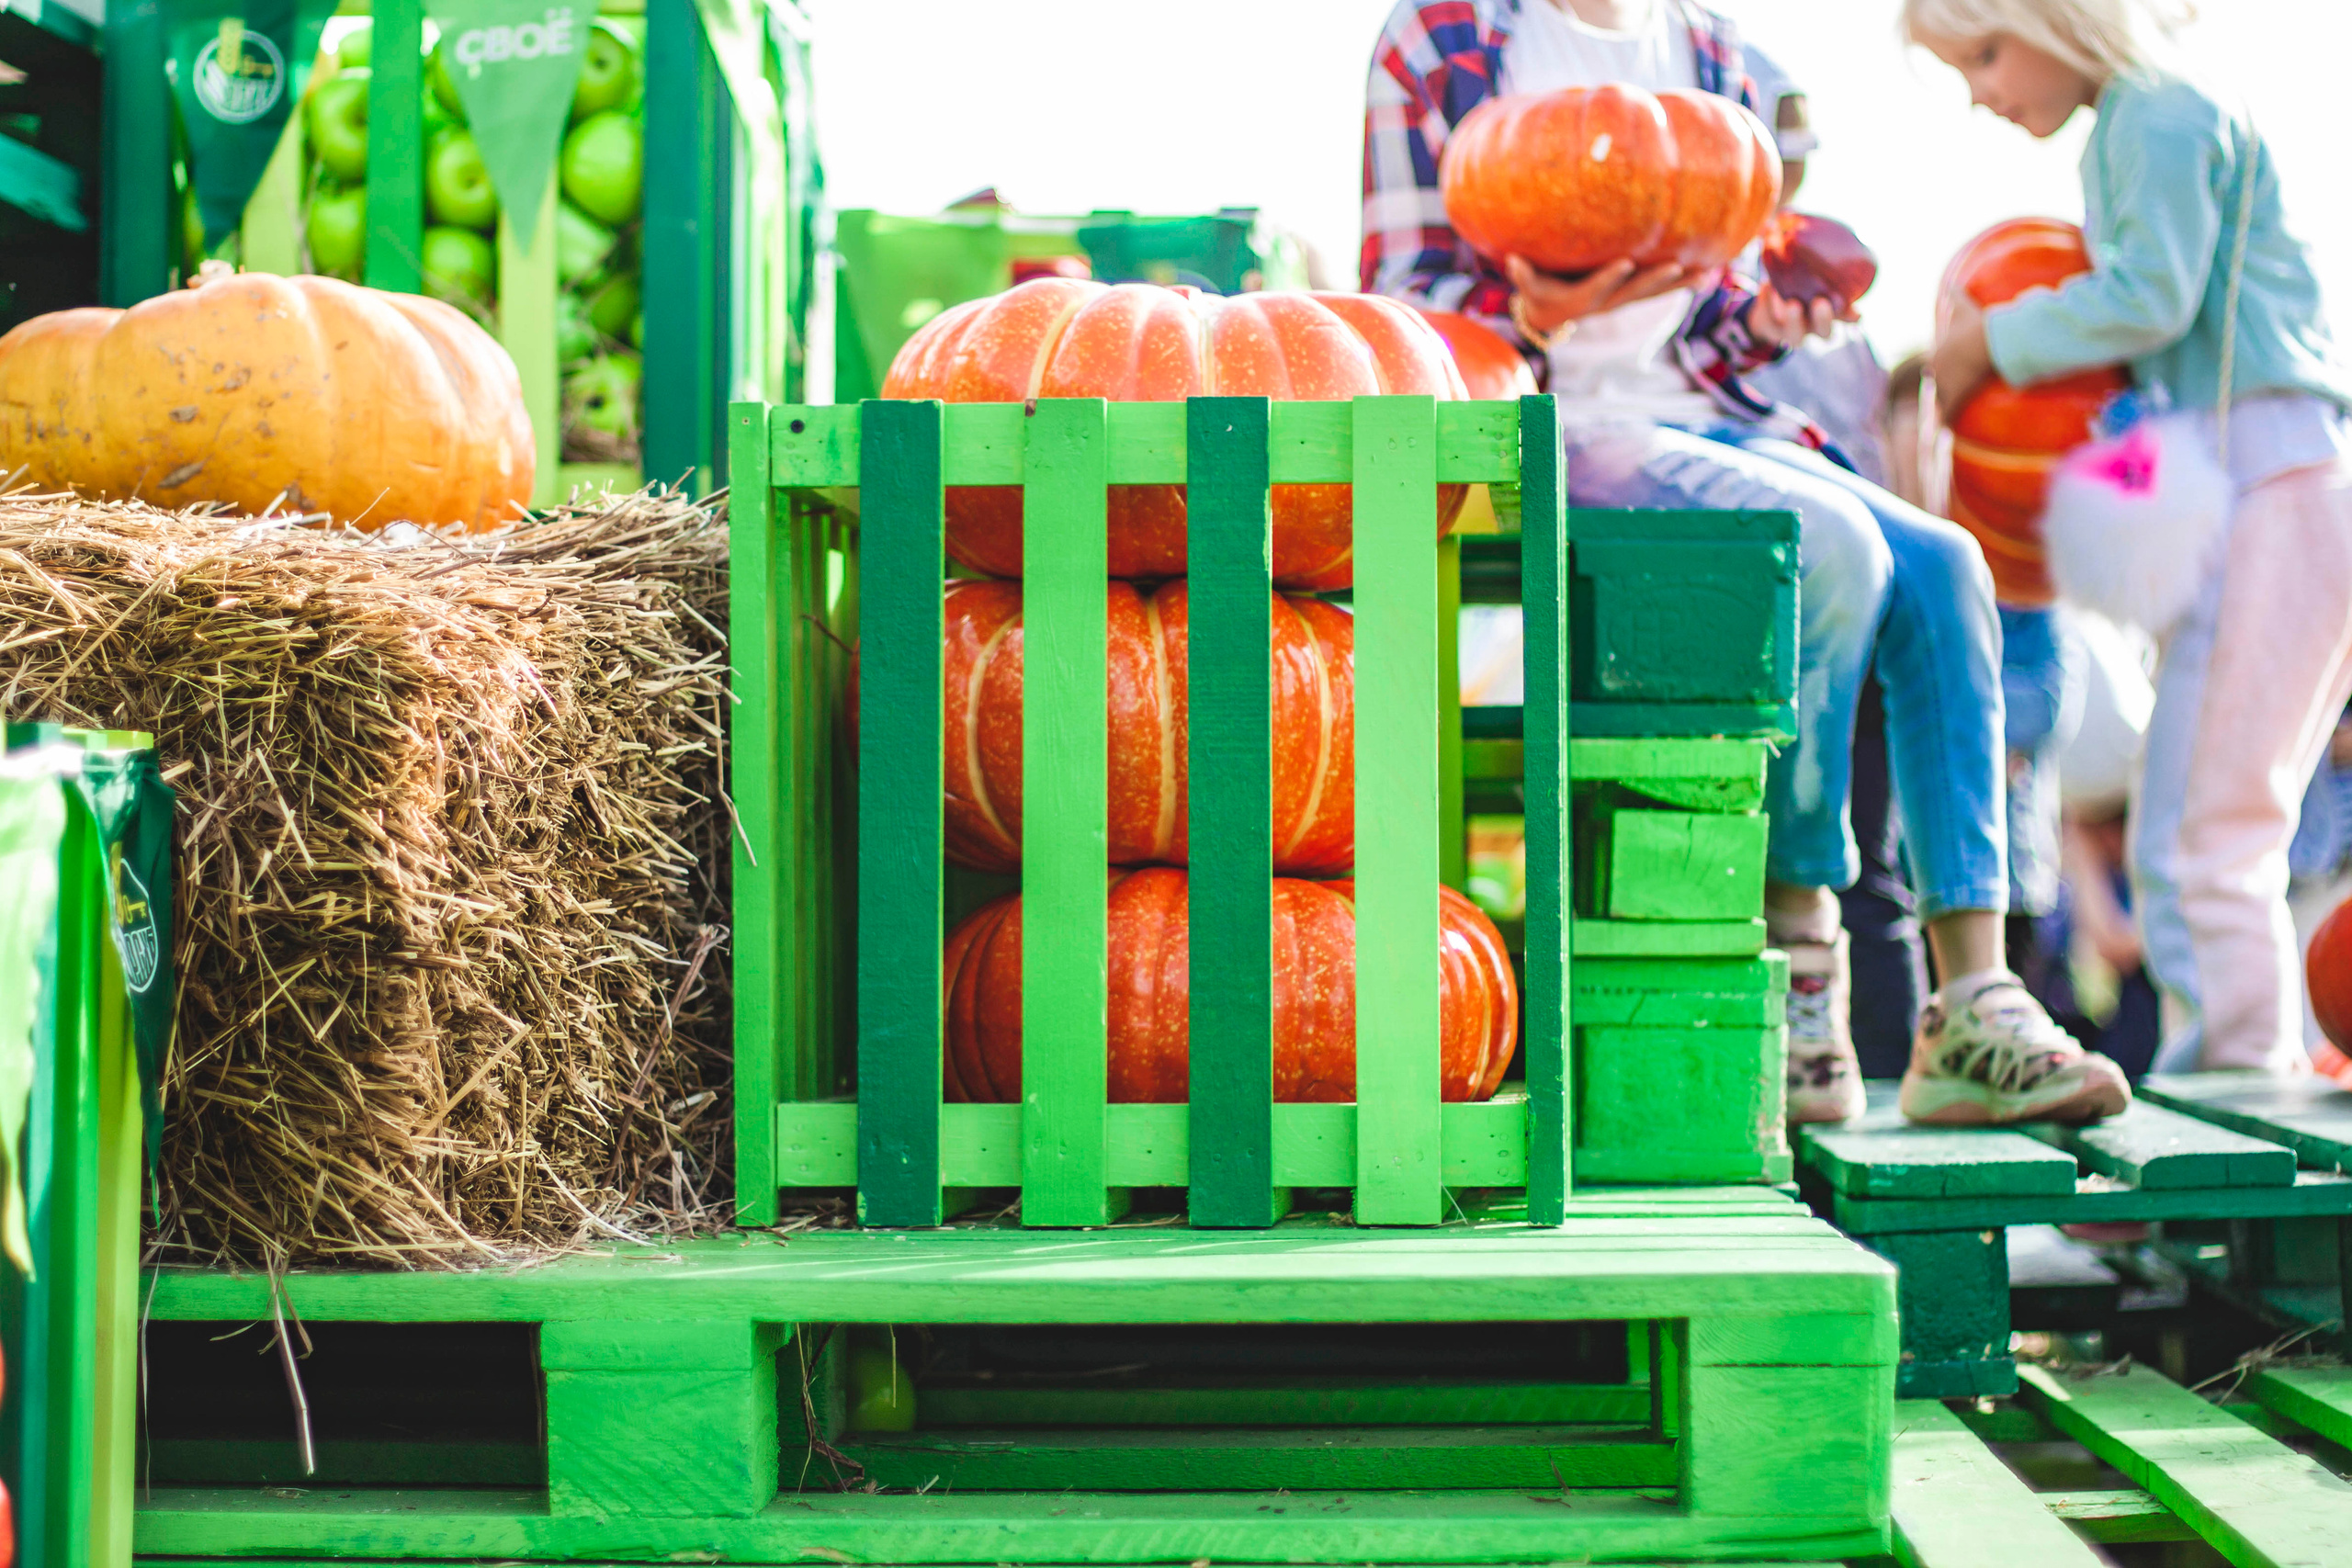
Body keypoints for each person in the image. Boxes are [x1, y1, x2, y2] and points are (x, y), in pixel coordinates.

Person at [1364, 0, 2132, 1124]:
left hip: (1708, 429)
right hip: (1546, 430)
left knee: (1945, 562)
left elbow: (1708, 320)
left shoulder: (1714, 52)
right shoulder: (1443, 37)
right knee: (1826, 546)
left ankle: (1972, 993)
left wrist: (1768, 319)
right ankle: (1797, 958)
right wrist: (1535, 311)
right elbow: (1405, 315)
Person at [1912, 0, 2352, 1077]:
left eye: (1984, 52)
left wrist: (1988, 341)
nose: (1980, 88)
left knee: (2212, 820)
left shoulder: (2157, 107)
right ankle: (2223, 1068)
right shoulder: (2136, 118)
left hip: (2274, 473)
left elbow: (2150, 297)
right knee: (2184, 817)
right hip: (2248, 472)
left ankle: (2241, 1084)